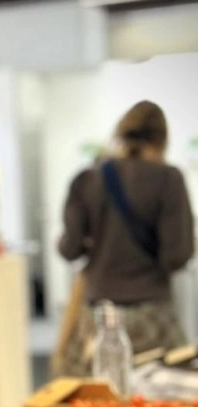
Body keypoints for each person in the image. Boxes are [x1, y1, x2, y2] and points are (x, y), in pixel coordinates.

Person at [57, 101, 195, 376]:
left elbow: (69, 249)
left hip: (96, 318)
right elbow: (177, 256)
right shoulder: (168, 179)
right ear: (161, 140)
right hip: (152, 317)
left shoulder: (87, 179)